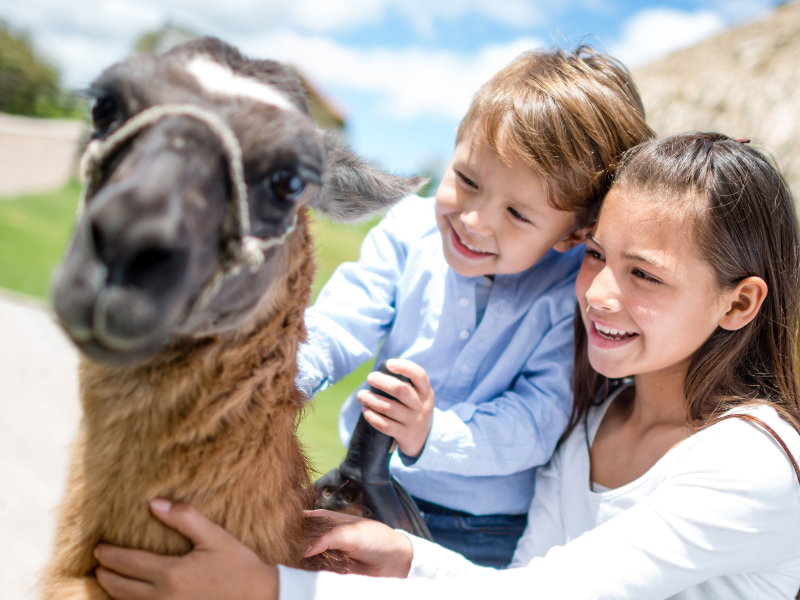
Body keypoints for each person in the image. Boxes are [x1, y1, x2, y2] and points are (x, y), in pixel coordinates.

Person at [94, 133, 800, 599]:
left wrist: (272, 589)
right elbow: (527, 581)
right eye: (595, 256)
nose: (599, 293)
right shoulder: (593, 420)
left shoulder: (749, 466)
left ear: (739, 304)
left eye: (645, 275)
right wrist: (405, 558)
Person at [293, 46, 653, 566]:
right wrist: (294, 375)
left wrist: (432, 434)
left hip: (480, 529)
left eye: (517, 214)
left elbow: (538, 417)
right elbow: (345, 318)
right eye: (467, 181)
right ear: (455, 145)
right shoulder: (407, 231)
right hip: (366, 481)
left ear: (573, 235)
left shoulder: (567, 294)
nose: (476, 221)